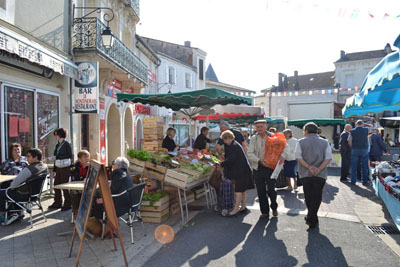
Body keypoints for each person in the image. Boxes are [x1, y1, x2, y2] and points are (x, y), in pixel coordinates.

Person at [248, 120, 289, 219]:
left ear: (266, 127)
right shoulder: (253, 138)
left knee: (271, 190)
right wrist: (259, 160)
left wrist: (282, 156)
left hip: (271, 167)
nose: (259, 129)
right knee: (260, 191)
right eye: (257, 127)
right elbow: (250, 153)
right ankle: (265, 212)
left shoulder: (274, 136)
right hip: (258, 167)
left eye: (261, 126)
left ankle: (274, 207)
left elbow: (286, 147)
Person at [295, 122, 332, 228]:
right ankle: (312, 217)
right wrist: (318, 169)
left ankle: (311, 217)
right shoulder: (325, 142)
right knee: (317, 195)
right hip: (320, 173)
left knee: (308, 195)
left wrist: (309, 167)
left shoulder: (301, 141)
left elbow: (298, 157)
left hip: (305, 173)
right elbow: (328, 158)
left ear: (306, 131)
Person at [0, 148, 49, 225]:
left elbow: (13, 185)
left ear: (35, 157)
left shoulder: (28, 169)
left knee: (4, 191)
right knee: (9, 189)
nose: (27, 158)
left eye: (29, 156)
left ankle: (7, 215)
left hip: (24, 195)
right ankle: (17, 212)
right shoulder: (44, 167)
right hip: (35, 195)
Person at [219, 130, 254, 216]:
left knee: (238, 190)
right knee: (242, 190)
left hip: (241, 171)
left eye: (224, 140)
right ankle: (243, 207)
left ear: (228, 138)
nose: (224, 142)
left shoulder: (233, 146)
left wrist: (222, 164)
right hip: (243, 170)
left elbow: (231, 159)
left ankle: (235, 209)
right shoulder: (234, 144)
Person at [49, 128, 73, 211]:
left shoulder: (67, 144)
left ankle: (68, 203)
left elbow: (69, 155)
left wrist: (58, 157)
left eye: (57, 135)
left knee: (64, 186)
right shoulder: (57, 145)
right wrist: (54, 170)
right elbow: (56, 158)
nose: (55, 136)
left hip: (65, 168)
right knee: (56, 185)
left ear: (60, 135)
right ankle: (57, 202)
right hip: (58, 167)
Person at [348, 120, 370, 186]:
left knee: (354, 166)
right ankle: (364, 181)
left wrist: (352, 147)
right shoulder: (366, 130)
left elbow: (349, 141)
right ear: (362, 124)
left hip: (355, 149)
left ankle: (353, 181)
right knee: (364, 166)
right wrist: (365, 124)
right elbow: (372, 126)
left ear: (356, 124)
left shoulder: (352, 131)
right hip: (364, 149)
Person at [70, 150, 90, 216]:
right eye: (84, 157)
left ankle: (88, 214)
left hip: (87, 187)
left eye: (88, 157)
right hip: (77, 186)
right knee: (74, 192)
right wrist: (84, 168)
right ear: (79, 159)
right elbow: (75, 178)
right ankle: (76, 213)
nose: (87, 158)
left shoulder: (90, 167)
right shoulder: (74, 166)